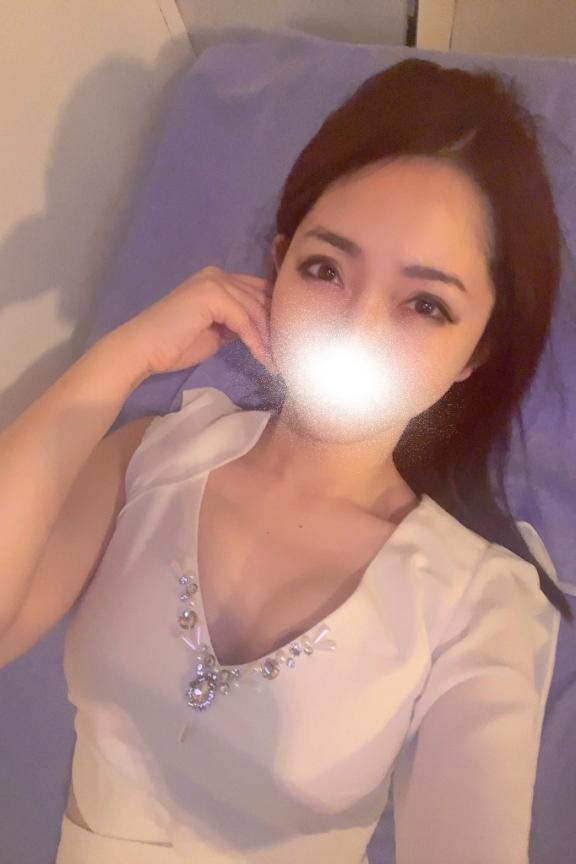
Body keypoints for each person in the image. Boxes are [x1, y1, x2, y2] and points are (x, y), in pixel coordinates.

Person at [0, 58, 572, 864]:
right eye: (324, 269)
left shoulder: (477, 605)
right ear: (275, 269)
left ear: (476, 351)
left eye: (425, 303)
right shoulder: (152, 459)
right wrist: (120, 360)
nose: (356, 328)